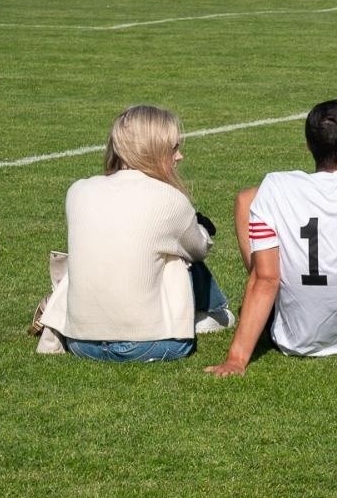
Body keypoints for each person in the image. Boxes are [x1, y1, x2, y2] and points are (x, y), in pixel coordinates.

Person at [207, 100, 337, 380]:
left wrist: (236, 360)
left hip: (294, 341)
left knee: (247, 200)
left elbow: (265, 279)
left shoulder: (275, 187)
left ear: (308, 145)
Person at [38, 105, 232, 362]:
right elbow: (198, 250)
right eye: (174, 148)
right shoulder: (171, 199)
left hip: (80, 342)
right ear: (153, 150)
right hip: (152, 345)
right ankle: (214, 312)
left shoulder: (78, 190)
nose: (180, 156)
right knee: (179, 255)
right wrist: (201, 228)